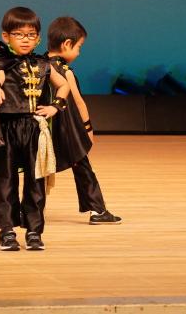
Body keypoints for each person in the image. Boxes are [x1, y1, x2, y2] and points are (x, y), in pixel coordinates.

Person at [0, 6, 70, 251]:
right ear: (6, 36)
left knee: (36, 181)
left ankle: (34, 231)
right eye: (19, 34)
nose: (25, 39)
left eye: (31, 35)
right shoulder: (2, 62)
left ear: (38, 38)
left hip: (34, 129)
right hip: (7, 129)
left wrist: (55, 106)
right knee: (5, 180)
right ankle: (7, 232)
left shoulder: (43, 64)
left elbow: (63, 85)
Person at [45, 16, 121, 224]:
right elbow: (79, 103)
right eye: (79, 47)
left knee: (39, 170)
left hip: (44, 129)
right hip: (67, 132)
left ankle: (29, 211)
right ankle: (98, 211)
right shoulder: (64, 72)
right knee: (82, 167)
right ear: (67, 44)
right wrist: (87, 128)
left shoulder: (39, 66)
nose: (79, 52)